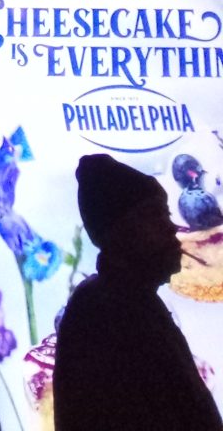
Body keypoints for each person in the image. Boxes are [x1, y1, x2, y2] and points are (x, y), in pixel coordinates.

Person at [53, 153, 223, 431]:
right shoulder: (108, 313)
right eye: (155, 216)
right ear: (122, 231)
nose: (170, 228)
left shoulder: (129, 300)